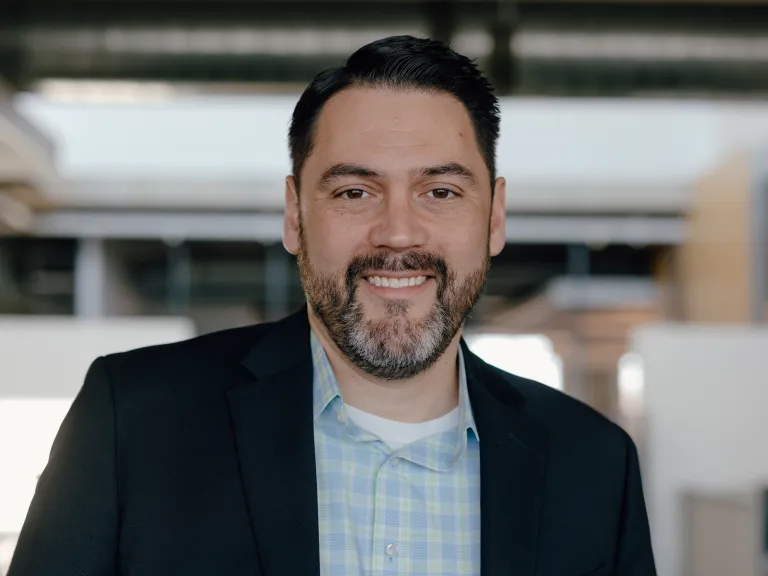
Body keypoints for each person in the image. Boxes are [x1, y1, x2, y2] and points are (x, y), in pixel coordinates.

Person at [8, 36, 655, 576]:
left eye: (440, 191)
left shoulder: (594, 465)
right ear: (295, 214)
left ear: (495, 217)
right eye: (354, 191)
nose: (398, 233)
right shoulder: (135, 421)